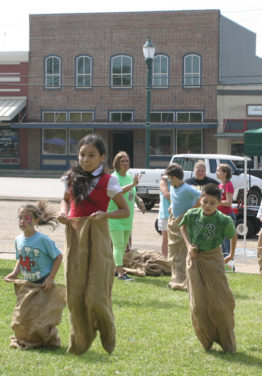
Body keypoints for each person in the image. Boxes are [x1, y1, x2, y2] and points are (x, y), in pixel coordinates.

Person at [58, 134, 129, 355]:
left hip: (98, 237)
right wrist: (63, 212)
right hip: (75, 237)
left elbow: (124, 210)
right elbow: (66, 200)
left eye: (91, 155)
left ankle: (107, 333)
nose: (86, 159)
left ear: (102, 158)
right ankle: (79, 340)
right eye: (82, 154)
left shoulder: (109, 181)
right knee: (76, 293)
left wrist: (105, 214)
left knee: (96, 295)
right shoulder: (71, 178)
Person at [179, 183, 237, 353]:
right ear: (200, 200)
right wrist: (189, 245)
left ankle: (227, 342)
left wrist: (231, 255)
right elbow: (182, 226)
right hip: (194, 258)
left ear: (219, 203)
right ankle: (206, 339)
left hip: (213, 259)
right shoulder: (192, 214)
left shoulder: (223, 220)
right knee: (198, 304)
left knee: (222, 301)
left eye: (212, 203)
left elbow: (233, 235)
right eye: (205, 202)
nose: (208, 206)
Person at [4, 201, 63, 289]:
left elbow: (59, 256)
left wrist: (51, 277)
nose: (22, 221)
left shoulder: (43, 239)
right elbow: (22, 258)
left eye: (27, 218)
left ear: (36, 220)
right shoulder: (18, 240)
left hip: (43, 282)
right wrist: (15, 273)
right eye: (20, 218)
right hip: (27, 282)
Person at [108, 151, 145, 281]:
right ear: (117, 163)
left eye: (127, 161)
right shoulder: (114, 178)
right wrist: (132, 185)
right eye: (122, 161)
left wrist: (139, 201)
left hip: (127, 218)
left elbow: (132, 193)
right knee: (118, 245)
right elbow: (118, 191)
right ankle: (120, 273)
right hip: (116, 217)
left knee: (123, 246)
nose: (125, 163)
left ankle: (114, 269)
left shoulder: (129, 177)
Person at [165, 163, 200, 291]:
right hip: (173, 222)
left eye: (169, 178)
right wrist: (172, 207)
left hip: (183, 223)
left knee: (182, 253)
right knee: (173, 253)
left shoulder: (187, 189)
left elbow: (201, 197)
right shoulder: (174, 187)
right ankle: (176, 279)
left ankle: (184, 281)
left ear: (174, 177)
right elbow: (175, 199)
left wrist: (189, 210)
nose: (168, 180)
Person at [216, 163, 237, 260]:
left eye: (218, 171)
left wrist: (216, 202)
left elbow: (229, 202)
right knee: (222, 243)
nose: (216, 173)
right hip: (220, 216)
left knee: (227, 242)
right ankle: (224, 264)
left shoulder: (228, 185)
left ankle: (229, 264)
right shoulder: (220, 185)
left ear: (225, 173)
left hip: (227, 216)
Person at [157, 174, 171, 257]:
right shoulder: (164, 182)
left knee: (175, 240)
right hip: (165, 215)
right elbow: (166, 194)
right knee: (165, 239)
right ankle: (164, 260)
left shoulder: (178, 183)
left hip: (175, 215)